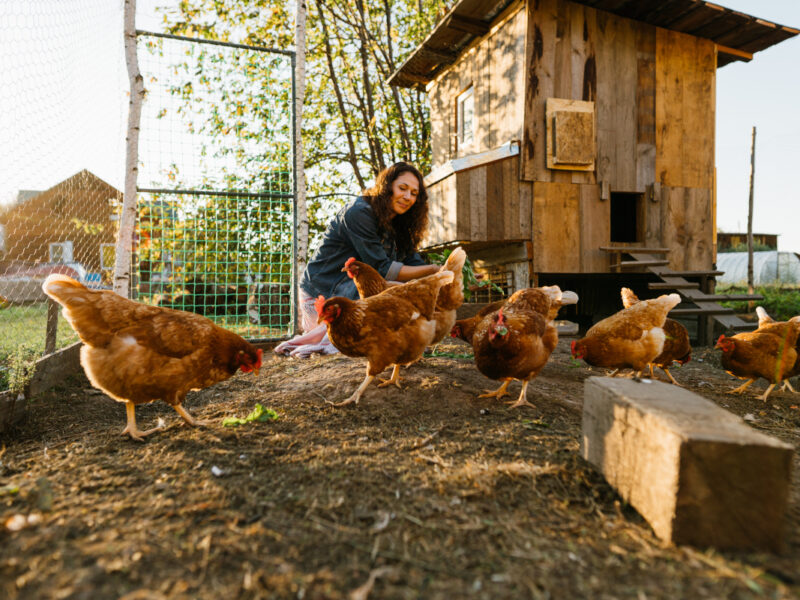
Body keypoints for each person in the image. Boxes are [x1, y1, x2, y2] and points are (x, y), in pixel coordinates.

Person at [275, 162, 439, 357]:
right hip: (323, 298)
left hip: (353, 298)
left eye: (414, 193)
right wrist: (435, 271)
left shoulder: (400, 224)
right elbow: (383, 269)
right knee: (380, 288)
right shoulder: (359, 212)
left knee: (396, 289)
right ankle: (308, 343)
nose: (407, 197)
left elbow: (413, 262)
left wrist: (449, 274)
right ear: (387, 187)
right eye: (402, 188)